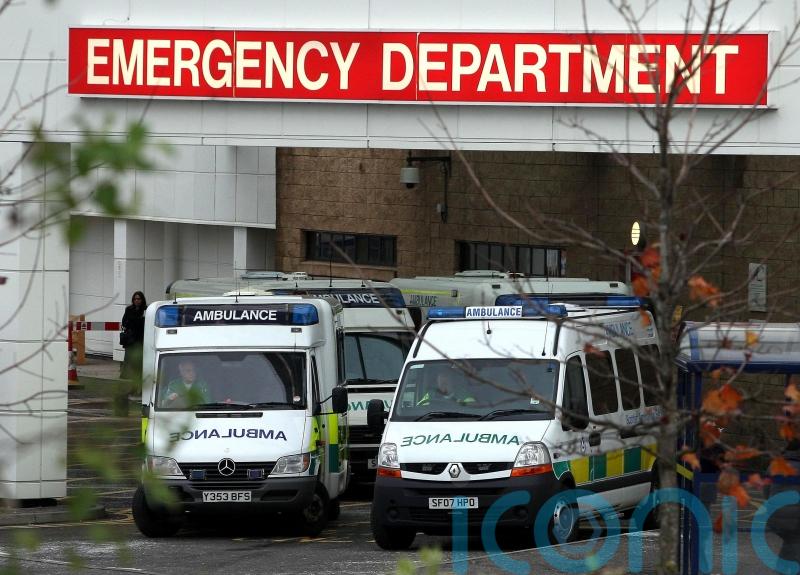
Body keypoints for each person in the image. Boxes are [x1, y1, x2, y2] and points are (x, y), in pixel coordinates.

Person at [120, 291, 146, 381]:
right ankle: (126, 375)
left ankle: (138, 375)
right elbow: (124, 322)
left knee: (138, 357)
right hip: (131, 337)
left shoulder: (146, 310)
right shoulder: (129, 309)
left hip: (140, 337)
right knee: (128, 356)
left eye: (138, 299)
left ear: (142, 300)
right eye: (135, 299)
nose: (136, 301)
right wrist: (132, 322)